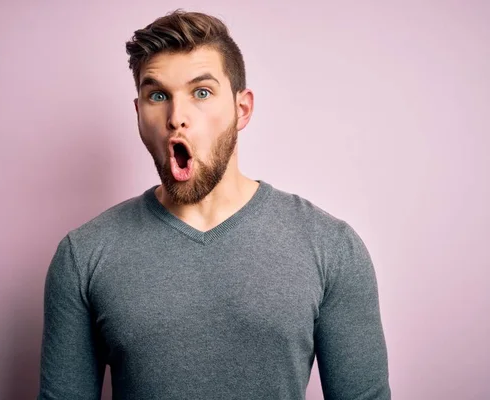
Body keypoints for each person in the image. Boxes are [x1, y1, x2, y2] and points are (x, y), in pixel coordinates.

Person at [37, 9, 391, 400]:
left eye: (201, 93)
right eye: (157, 96)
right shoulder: (83, 256)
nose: (177, 118)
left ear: (242, 110)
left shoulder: (331, 248)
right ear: (139, 114)